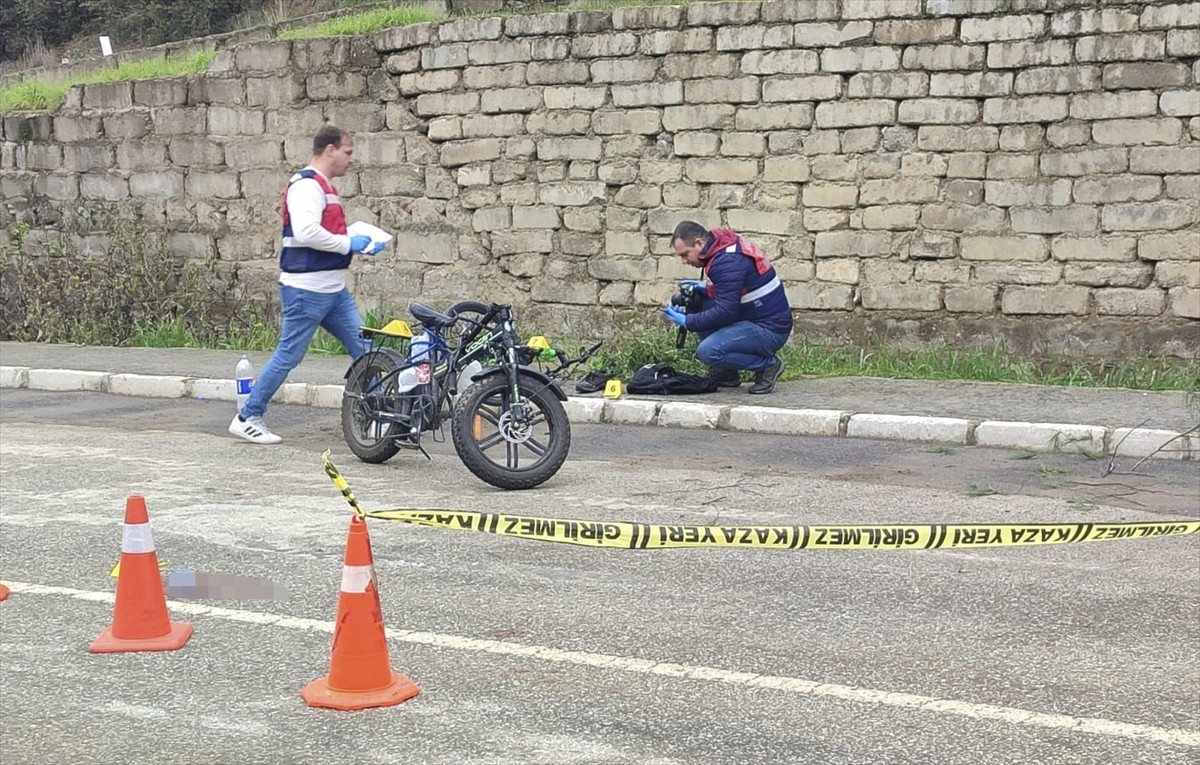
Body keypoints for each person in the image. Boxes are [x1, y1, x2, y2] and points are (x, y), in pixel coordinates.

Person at [228, 125, 387, 444]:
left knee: (366, 350)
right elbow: (305, 232)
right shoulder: (307, 186)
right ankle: (247, 416)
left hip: (331, 291)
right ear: (330, 150)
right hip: (306, 290)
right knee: (290, 354)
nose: (351, 160)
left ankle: (376, 415)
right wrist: (349, 243)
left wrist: (356, 239)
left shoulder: (323, 186)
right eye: (347, 152)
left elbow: (321, 231)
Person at [661, 221, 792, 395]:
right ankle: (726, 373)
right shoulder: (723, 247)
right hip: (757, 316)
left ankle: (768, 365)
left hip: (770, 329)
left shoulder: (726, 261)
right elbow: (738, 289)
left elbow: (726, 312)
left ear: (700, 243)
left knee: (708, 351)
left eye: (685, 254)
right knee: (696, 300)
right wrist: (707, 289)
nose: (684, 261)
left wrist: (688, 321)